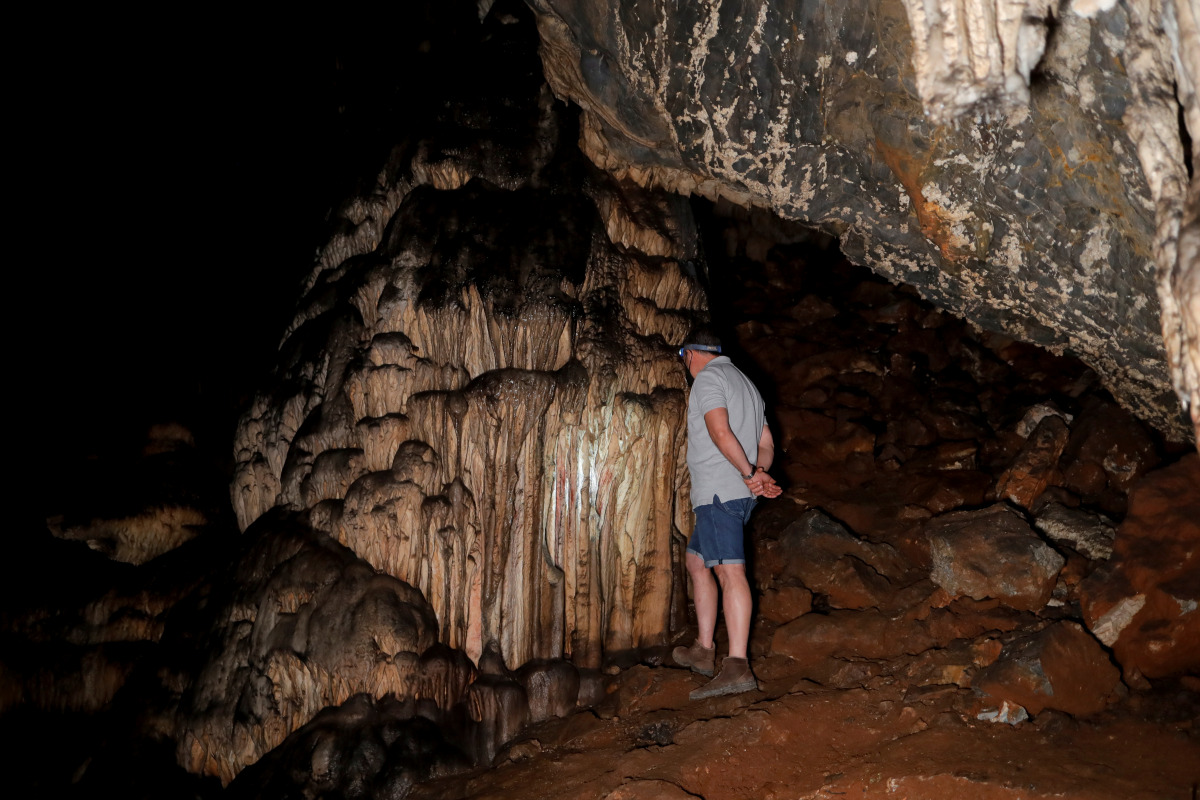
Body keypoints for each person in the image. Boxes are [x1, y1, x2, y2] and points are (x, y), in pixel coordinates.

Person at [673, 328, 781, 700]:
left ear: (690, 353)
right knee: (697, 561)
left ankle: (737, 665)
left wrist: (749, 474)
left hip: (719, 491)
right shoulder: (746, 384)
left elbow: (720, 433)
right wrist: (758, 473)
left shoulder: (708, 379)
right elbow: (765, 443)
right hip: (735, 491)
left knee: (729, 571)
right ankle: (704, 650)